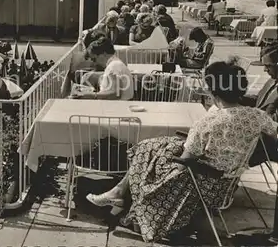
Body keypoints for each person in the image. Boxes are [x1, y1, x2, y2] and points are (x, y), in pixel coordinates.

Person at [86, 59, 276, 243]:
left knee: (147, 155)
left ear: (212, 91)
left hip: (202, 183)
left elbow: (187, 158)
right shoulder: (258, 117)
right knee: (151, 145)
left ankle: (123, 201)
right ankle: (118, 192)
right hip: (226, 184)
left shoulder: (208, 122)